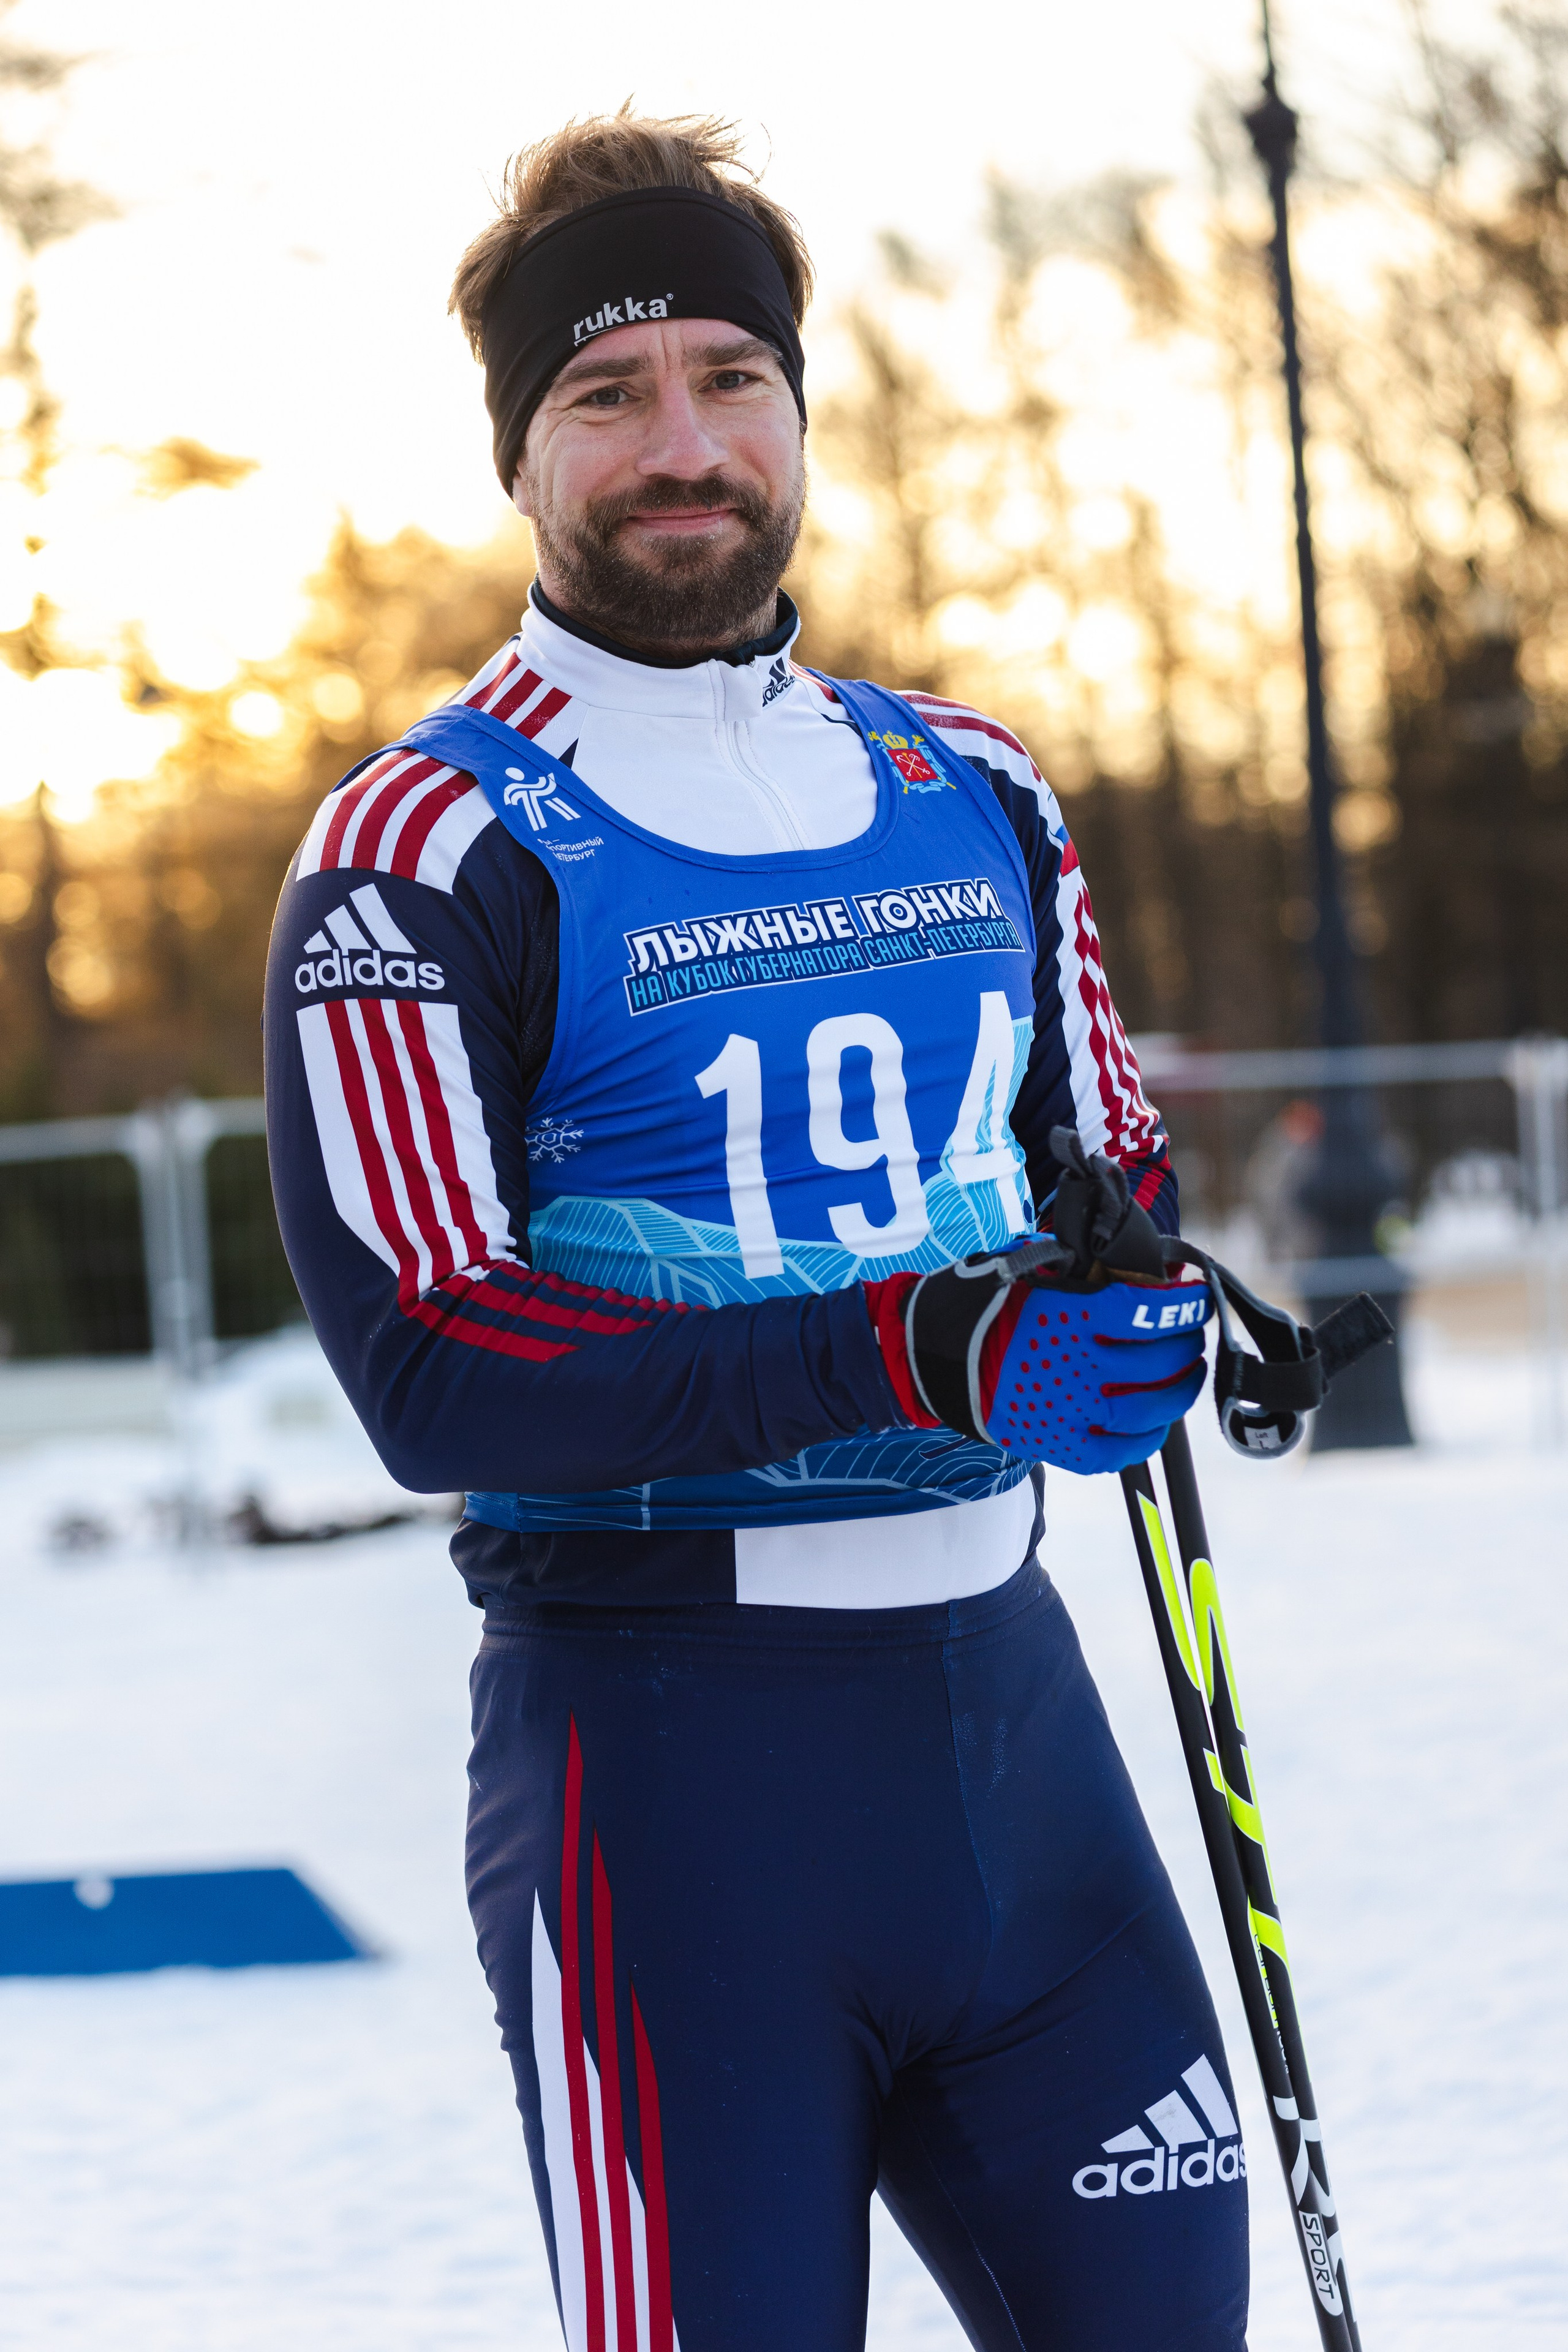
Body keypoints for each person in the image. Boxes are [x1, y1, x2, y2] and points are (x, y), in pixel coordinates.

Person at [263, 108, 1248, 2352]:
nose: (679, 441)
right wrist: (918, 1354)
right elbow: (430, 1363)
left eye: (730, 375)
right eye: (605, 396)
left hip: (1027, 1760)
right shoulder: (421, 849)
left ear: (800, 414)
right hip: (671, 1796)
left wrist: (1161, 1309)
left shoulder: (976, 787)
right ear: (523, 456)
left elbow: (1097, 1178)